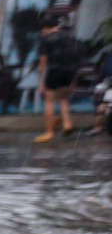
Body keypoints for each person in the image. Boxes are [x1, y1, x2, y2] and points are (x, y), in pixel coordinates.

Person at [36, 13, 82, 143]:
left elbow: (43, 62)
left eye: (42, 31)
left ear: (45, 28)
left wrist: (40, 81)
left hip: (54, 70)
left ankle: (49, 132)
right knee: (63, 99)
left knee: (49, 101)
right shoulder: (70, 37)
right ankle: (67, 123)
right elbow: (77, 55)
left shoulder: (46, 40)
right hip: (69, 71)